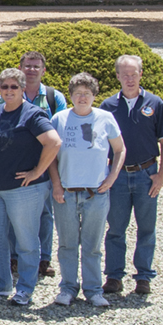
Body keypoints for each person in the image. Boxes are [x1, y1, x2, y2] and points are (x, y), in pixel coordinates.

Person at [0, 67, 62, 306]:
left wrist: (38, 171)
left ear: (23, 88)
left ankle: (25, 288)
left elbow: (54, 142)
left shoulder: (33, 115)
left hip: (25, 190)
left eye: (14, 86)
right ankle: (0, 283)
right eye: (4, 86)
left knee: (26, 242)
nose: (9, 91)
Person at [49, 73, 125, 307]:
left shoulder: (106, 118)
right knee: (67, 244)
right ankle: (68, 288)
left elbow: (120, 150)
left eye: (87, 93)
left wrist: (112, 177)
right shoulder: (59, 119)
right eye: (78, 93)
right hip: (67, 192)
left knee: (92, 245)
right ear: (71, 95)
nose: (82, 97)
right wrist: (56, 185)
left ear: (94, 96)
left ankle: (93, 290)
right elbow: (50, 156)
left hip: (97, 193)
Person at [102, 54, 163, 296]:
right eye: (125, 74)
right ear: (118, 76)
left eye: (134, 74)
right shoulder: (108, 107)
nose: (129, 79)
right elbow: (100, 144)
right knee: (115, 228)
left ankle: (143, 277)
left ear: (141, 74)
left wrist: (160, 175)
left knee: (146, 228)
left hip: (146, 174)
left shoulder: (155, 103)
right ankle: (114, 276)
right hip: (118, 177)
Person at [17, 50, 67, 278]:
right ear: (20, 68)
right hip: (19, 163)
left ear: (44, 70)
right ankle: (15, 258)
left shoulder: (53, 97)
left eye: (36, 66)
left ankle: (43, 259)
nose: (31, 70)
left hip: (47, 164)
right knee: (15, 213)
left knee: (46, 215)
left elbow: (62, 129)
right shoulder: (11, 92)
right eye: (28, 66)